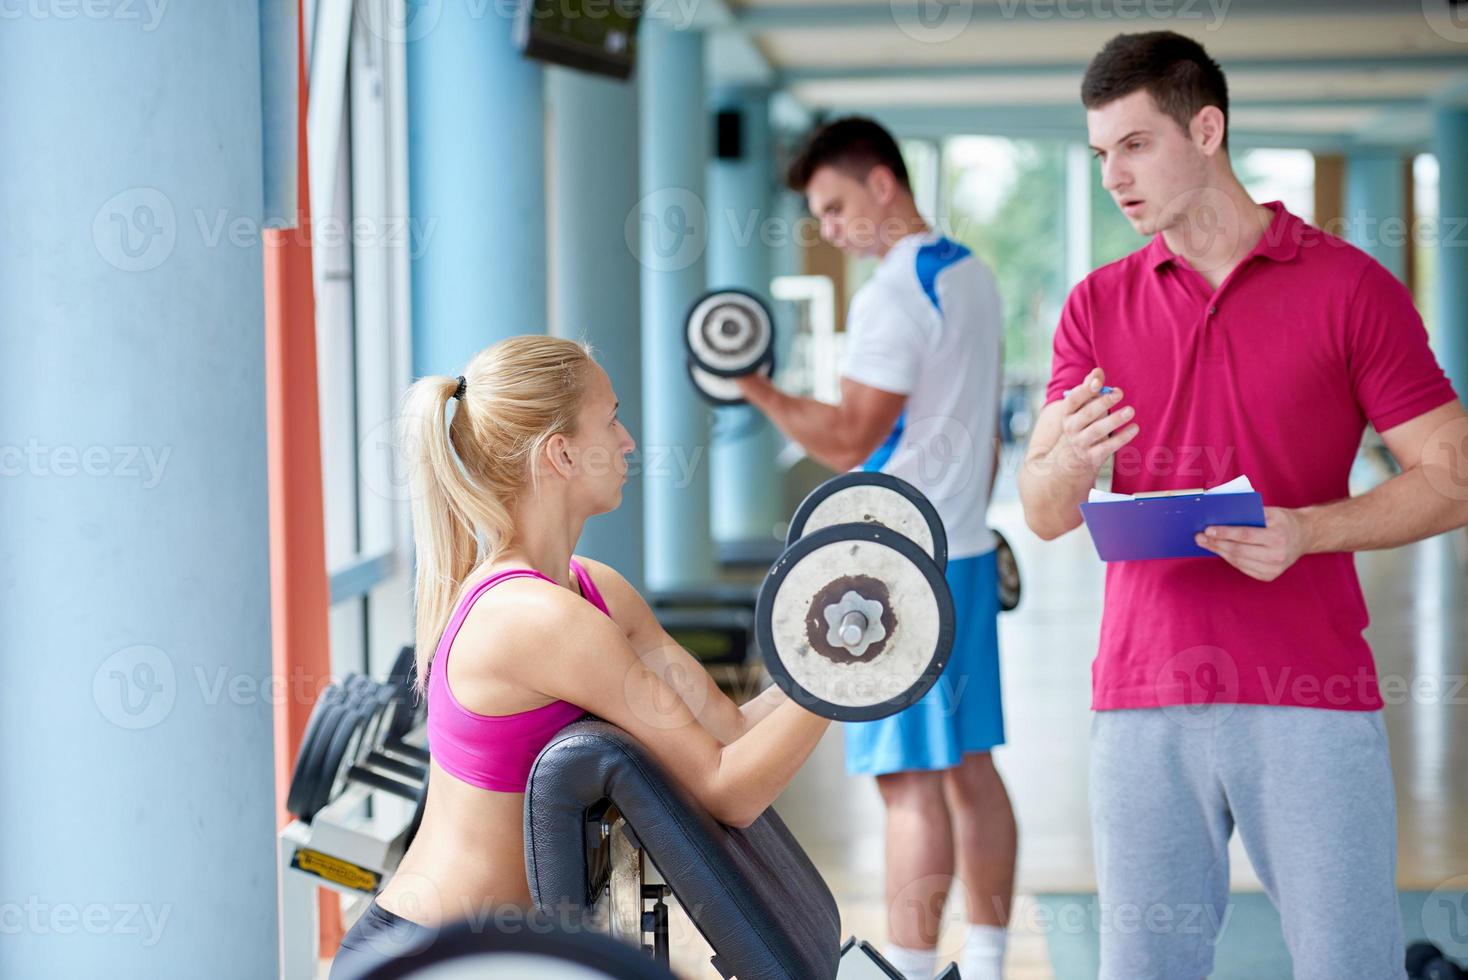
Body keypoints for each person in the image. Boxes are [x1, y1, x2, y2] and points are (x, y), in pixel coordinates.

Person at [1019, 31, 1468, 980]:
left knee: (1351, 966)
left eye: (1135, 146)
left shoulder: (1350, 289)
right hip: (1142, 699)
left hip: (1310, 693)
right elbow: (1044, 508)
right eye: (1101, 154)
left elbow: (1453, 473)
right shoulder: (1096, 307)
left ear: (1208, 128)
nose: (1113, 177)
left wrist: (1309, 531)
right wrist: (1072, 463)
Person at [329, 336, 831, 978]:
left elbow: (728, 734)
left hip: (502, 954)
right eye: (612, 419)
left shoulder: (592, 589)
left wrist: (824, 657)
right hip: (432, 960)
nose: (628, 441)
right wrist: (848, 677)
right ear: (560, 453)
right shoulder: (535, 619)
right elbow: (727, 792)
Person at [735, 117, 1014, 980]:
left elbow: (851, 437)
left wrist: (756, 390)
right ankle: (993, 959)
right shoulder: (970, 275)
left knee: (908, 785)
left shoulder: (895, 292)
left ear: (882, 184)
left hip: (897, 565)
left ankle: (914, 970)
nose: (830, 227)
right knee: (970, 770)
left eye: (834, 205)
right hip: (961, 543)